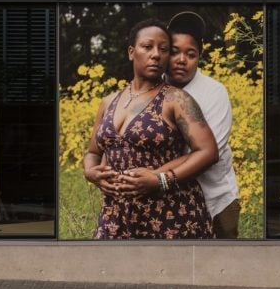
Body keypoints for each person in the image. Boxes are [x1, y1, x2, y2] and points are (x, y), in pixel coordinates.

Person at [83, 18, 218, 239]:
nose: (156, 54)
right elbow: (93, 153)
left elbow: (208, 152)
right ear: (131, 52)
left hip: (171, 214)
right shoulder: (108, 102)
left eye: (164, 49)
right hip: (117, 214)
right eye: (148, 47)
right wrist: (91, 173)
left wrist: (161, 180)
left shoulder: (177, 99)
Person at [166, 11, 241, 238]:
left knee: (223, 262)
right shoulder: (153, 88)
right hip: (170, 198)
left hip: (216, 198)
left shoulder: (214, 92)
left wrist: (154, 178)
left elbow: (207, 155)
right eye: (174, 52)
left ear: (200, 56)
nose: (182, 60)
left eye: (191, 54)